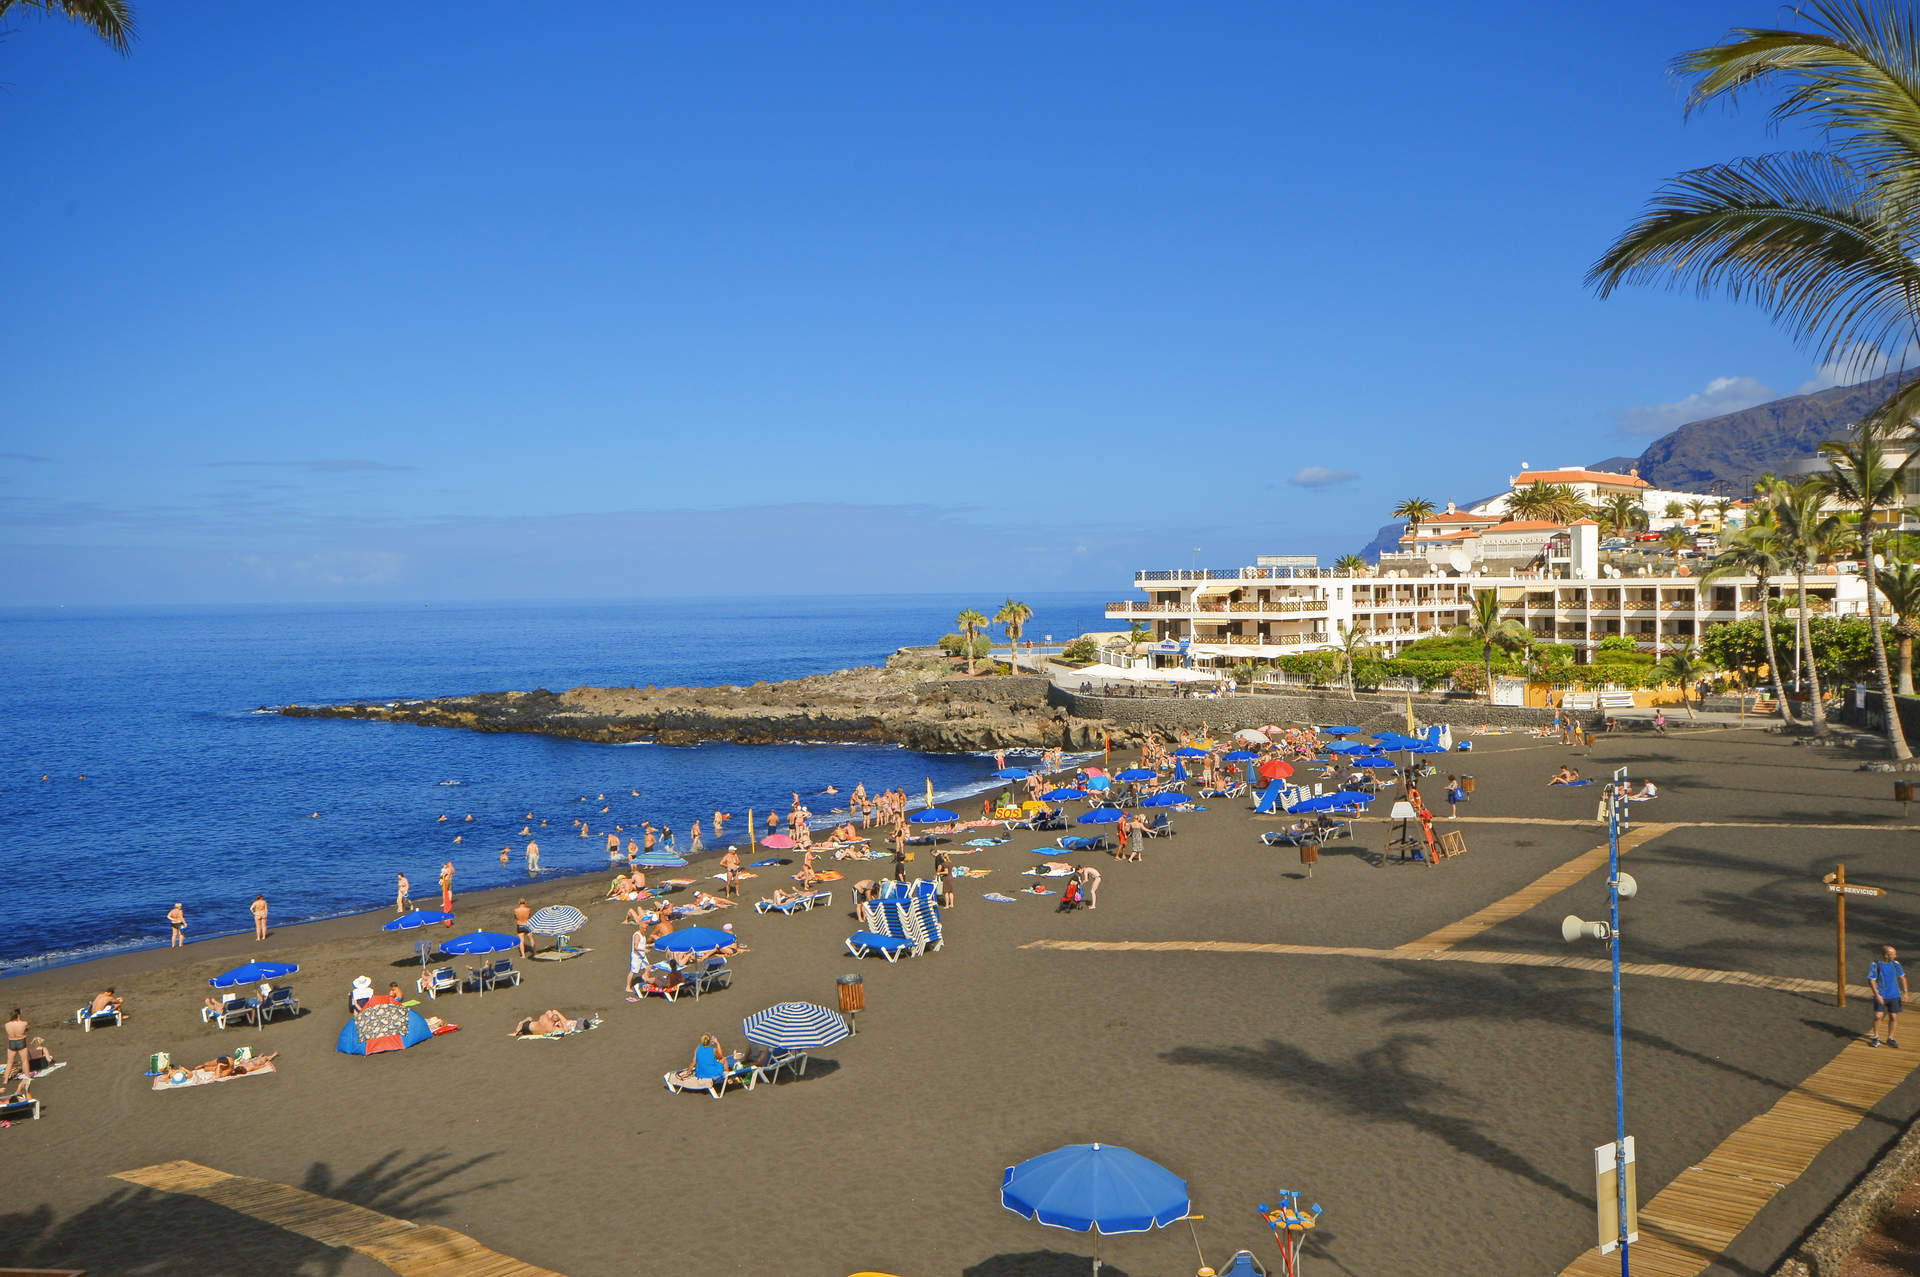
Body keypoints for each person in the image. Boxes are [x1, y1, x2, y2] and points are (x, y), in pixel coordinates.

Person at [1871, 946, 1909, 1048]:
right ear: (1886, 955)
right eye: (1893, 954)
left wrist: (1905, 992)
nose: (1896, 956)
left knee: (1893, 1016)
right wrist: (1877, 994)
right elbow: (1872, 980)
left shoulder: (1896, 964)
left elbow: (1902, 978)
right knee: (1878, 1016)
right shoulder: (1876, 964)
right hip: (1881, 995)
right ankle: (1876, 1037)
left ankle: (1890, 1038)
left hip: (1894, 995)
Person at [4, 1010, 26, 1083]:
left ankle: (5, 1080)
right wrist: (19, 1019)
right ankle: (28, 1077)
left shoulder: (7, 1024)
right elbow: (24, 1029)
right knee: (24, 1061)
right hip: (21, 1041)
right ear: (18, 1015)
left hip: (12, 1042)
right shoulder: (23, 1023)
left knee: (9, 1062)